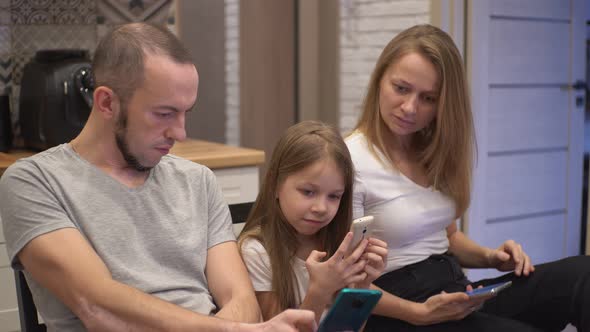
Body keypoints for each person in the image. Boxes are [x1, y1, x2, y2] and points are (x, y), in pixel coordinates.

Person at [0, 22, 317, 332]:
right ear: (107, 102)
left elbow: (242, 301)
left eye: (185, 112)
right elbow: (98, 307)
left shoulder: (198, 181)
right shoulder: (34, 182)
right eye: (164, 114)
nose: (180, 133)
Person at [345, 24, 590, 331]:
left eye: (428, 98)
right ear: (380, 79)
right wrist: (419, 313)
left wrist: (491, 257)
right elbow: (347, 281)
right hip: (398, 309)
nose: (410, 108)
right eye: (401, 88)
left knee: (583, 275)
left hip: (453, 290)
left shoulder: (432, 152)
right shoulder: (349, 160)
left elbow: (448, 237)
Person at [238, 120, 388, 323]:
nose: (321, 208)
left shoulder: (337, 244)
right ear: (275, 185)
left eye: (334, 196)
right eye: (308, 192)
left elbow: (347, 328)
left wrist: (361, 286)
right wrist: (320, 291)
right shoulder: (256, 252)